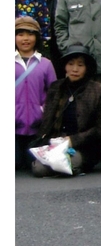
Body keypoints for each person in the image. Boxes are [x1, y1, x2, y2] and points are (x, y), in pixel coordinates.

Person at [30, 44, 101, 177]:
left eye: (80, 65)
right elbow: (47, 120)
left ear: (86, 68)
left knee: (67, 163)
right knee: (39, 169)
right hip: (56, 143)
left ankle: (75, 166)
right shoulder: (56, 87)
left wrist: (73, 140)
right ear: (65, 66)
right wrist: (45, 144)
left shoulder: (98, 90)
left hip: (83, 146)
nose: (75, 69)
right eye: (70, 64)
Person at [15, 16, 57, 170]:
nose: (25, 39)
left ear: (37, 37)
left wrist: (42, 111)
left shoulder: (45, 64)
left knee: (33, 165)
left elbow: (53, 94)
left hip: (37, 129)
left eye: (30, 34)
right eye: (20, 34)